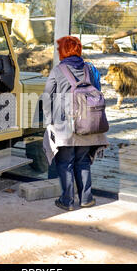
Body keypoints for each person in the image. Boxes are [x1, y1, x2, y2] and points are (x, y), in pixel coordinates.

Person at [42, 36, 108, 211]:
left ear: (63, 51)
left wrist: (49, 122)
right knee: (83, 161)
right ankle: (86, 198)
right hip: (87, 124)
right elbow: (96, 92)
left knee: (65, 163)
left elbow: (47, 97)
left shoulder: (58, 71)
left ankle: (67, 201)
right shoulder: (90, 68)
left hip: (65, 126)